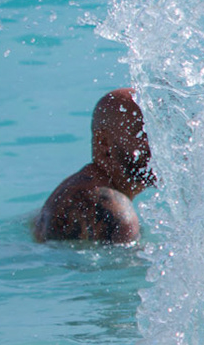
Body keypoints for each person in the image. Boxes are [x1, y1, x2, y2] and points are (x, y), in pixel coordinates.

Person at [32, 88, 155, 243]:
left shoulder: (80, 190)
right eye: (144, 134)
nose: (160, 145)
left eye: (159, 132)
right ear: (104, 143)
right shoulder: (112, 208)